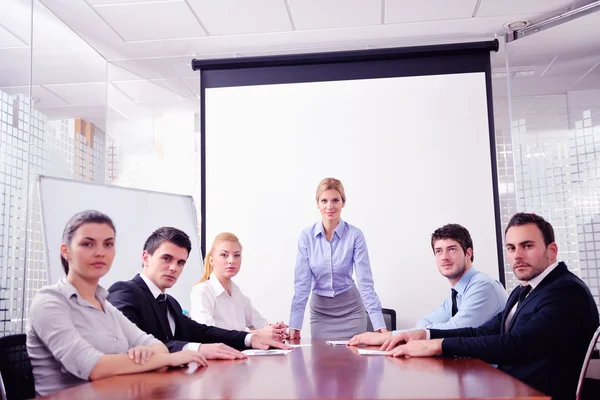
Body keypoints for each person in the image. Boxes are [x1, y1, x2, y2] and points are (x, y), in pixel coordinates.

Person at [377, 213, 599, 400]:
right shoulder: (526, 290)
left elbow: (516, 345)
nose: (517, 255)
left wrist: (439, 346)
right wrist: (424, 335)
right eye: (511, 248)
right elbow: (482, 331)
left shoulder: (566, 291)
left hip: (535, 394)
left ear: (552, 251)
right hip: (509, 386)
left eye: (527, 246)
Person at [26, 211, 207, 396]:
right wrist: (169, 358)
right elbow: (92, 366)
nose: (100, 252)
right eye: (87, 243)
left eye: (108, 244)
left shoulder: (105, 306)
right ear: (66, 251)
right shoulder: (48, 302)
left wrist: (152, 354)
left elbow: (157, 346)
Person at [107, 227, 290, 358]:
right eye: (167, 258)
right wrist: (198, 349)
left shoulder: (170, 302)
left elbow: (204, 332)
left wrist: (251, 339)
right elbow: (133, 345)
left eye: (180, 262)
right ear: (146, 257)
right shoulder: (125, 291)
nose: (174, 268)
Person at [349, 223, 507, 346]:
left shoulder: (483, 287)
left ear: (468, 253)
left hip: (493, 375)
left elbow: (455, 331)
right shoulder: (457, 293)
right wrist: (421, 332)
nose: (444, 257)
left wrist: (383, 337)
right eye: (439, 251)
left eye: (452, 249)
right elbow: (424, 323)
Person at [289, 177, 386, 340]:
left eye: (335, 200)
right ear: (317, 203)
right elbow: (302, 284)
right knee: (322, 362)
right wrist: (295, 323)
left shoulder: (355, 235)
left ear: (343, 202)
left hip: (352, 312)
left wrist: (379, 324)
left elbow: (365, 282)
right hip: (321, 314)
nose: (329, 206)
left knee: (354, 362)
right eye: (324, 200)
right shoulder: (306, 237)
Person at [190, 232, 288, 341]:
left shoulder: (237, 294)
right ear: (212, 260)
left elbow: (260, 324)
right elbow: (207, 335)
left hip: (240, 354)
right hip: (216, 356)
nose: (231, 260)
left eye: (236, 255)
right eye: (224, 255)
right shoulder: (202, 291)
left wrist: (276, 330)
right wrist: (257, 334)